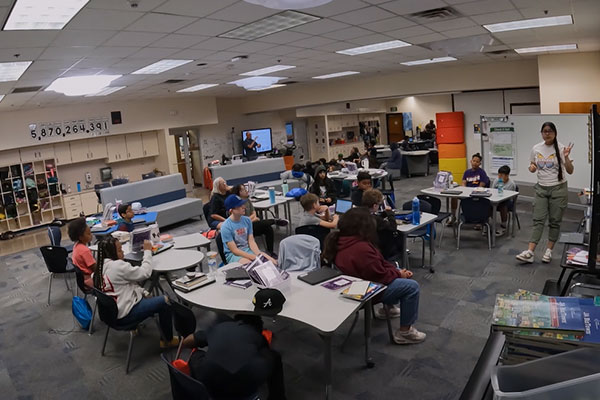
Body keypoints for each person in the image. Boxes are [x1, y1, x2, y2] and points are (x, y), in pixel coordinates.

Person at [323, 208, 426, 344]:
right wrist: (399, 274)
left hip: (353, 286)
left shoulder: (340, 240)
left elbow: (379, 265)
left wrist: (397, 271)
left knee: (394, 268)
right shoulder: (362, 248)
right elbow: (379, 276)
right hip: (366, 291)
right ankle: (405, 332)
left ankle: (388, 309)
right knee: (411, 287)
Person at [93, 237, 177, 347]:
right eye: (119, 250)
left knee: (144, 293)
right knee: (165, 301)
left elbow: (126, 286)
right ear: (111, 253)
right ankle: (167, 340)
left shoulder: (99, 268)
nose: (123, 251)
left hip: (110, 316)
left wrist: (143, 292)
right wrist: (147, 251)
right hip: (124, 316)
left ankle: (137, 328)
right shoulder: (118, 266)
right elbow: (145, 273)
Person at [183, 314, 287, 400]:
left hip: (209, 383)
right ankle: (278, 397)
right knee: (274, 357)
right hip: (244, 390)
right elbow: (265, 354)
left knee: (196, 356)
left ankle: (195, 391)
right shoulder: (258, 336)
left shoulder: (220, 327)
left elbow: (187, 342)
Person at [517, 122, 574, 263]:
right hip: (541, 188)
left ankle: (548, 251)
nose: (547, 133)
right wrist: (531, 167)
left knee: (554, 222)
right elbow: (533, 164)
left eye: (549, 131)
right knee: (538, 220)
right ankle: (530, 252)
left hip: (558, 189)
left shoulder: (561, 148)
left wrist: (566, 157)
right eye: (544, 131)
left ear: (555, 132)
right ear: (541, 133)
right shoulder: (536, 148)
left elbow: (570, 170)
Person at [231, 184, 287, 257]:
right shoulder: (237, 205)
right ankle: (274, 221)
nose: (246, 191)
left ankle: (270, 251)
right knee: (264, 224)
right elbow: (242, 221)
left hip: (252, 223)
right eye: (244, 190)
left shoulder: (247, 200)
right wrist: (253, 219)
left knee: (268, 228)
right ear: (239, 192)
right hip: (244, 228)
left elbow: (254, 213)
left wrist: (253, 218)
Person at [220, 194, 276, 264]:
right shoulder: (226, 226)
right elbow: (234, 250)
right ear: (231, 210)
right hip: (234, 255)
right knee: (251, 266)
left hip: (248, 249)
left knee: (272, 262)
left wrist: (258, 254)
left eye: (243, 204)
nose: (244, 207)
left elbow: (251, 241)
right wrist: (251, 257)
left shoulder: (247, 220)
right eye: (240, 206)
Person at [361, 189, 403, 260]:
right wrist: (390, 214)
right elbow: (393, 227)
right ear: (374, 206)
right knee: (400, 235)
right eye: (379, 205)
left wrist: (383, 215)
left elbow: (376, 218)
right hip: (380, 249)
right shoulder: (377, 220)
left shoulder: (360, 213)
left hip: (365, 246)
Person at [449, 153, 490, 225]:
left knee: (477, 201)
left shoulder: (482, 173)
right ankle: (453, 216)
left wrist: (473, 192)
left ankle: (479, 221)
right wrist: (464, 190)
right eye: (474, 161)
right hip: (466, 193)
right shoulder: (467, 172)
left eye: (477, 162)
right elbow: (463, 183)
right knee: (454, 197)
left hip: (477, 193)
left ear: (480, 163)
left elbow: (481, 186)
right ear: (471, 161)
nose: (475, 163)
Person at [68, 217, 96, 288]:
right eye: (89, 234)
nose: (91, 235)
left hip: (82, 279)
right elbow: (94, 268)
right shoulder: (85, 251)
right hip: (90, 279)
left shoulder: (76, 246)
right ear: (81, 237)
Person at [492, 165, 517, 236]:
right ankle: (489, 223)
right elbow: (492, 190)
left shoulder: (511, 184)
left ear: (507, 175)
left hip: (507, 201)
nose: (500, 176)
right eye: (499, 174)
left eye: (502, 175)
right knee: (487, 204)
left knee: (503, 206)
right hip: (496, 199)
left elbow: (510, 197)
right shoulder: (496, 180)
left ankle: (503, 225)